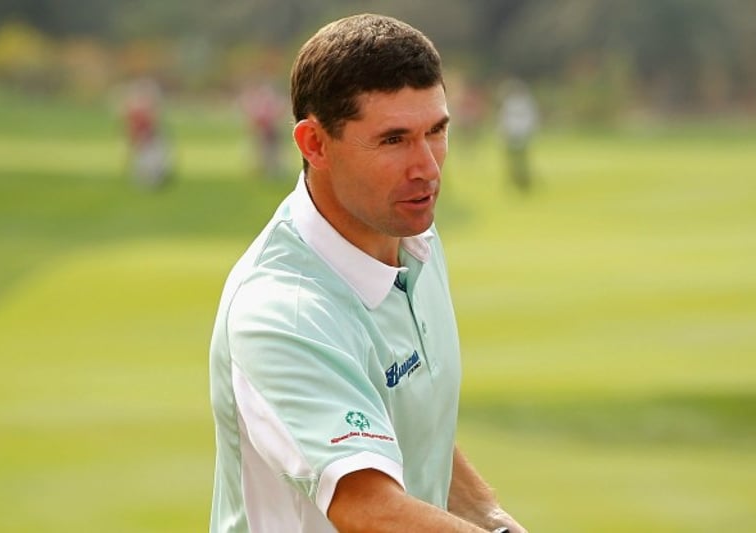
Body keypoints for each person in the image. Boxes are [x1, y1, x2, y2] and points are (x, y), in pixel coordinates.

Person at [208, 14, 525, 533]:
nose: (426, 167)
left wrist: (492, 519)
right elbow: (368, 507)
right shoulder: (283, 310)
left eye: (437, 131)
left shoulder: (411, 232)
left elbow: (414, 429)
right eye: (393, 140)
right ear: (314, 144)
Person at [122, 78, 173, 190]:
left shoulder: (143, 107)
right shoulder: (136, 108)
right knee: (146, 159)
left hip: (149, 137)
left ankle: (154, 179)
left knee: (153, 158)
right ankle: (149, 180)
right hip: (144, 137)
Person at [239, 80, 288, 180]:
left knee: (272, 151)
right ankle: (266, 169)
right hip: (266, 131)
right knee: (265, 151)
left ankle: (272, 169)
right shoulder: (264, 104)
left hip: (271, 131)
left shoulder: (267, 104)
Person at [496, 79, 538, 193]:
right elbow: (504, 119)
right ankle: (515, 180)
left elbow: (530, 119)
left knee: (521, 159)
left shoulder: (524, 103)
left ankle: (523, 180)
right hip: (513, 135)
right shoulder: (511, 103)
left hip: (520, 134)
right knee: (513, 160)